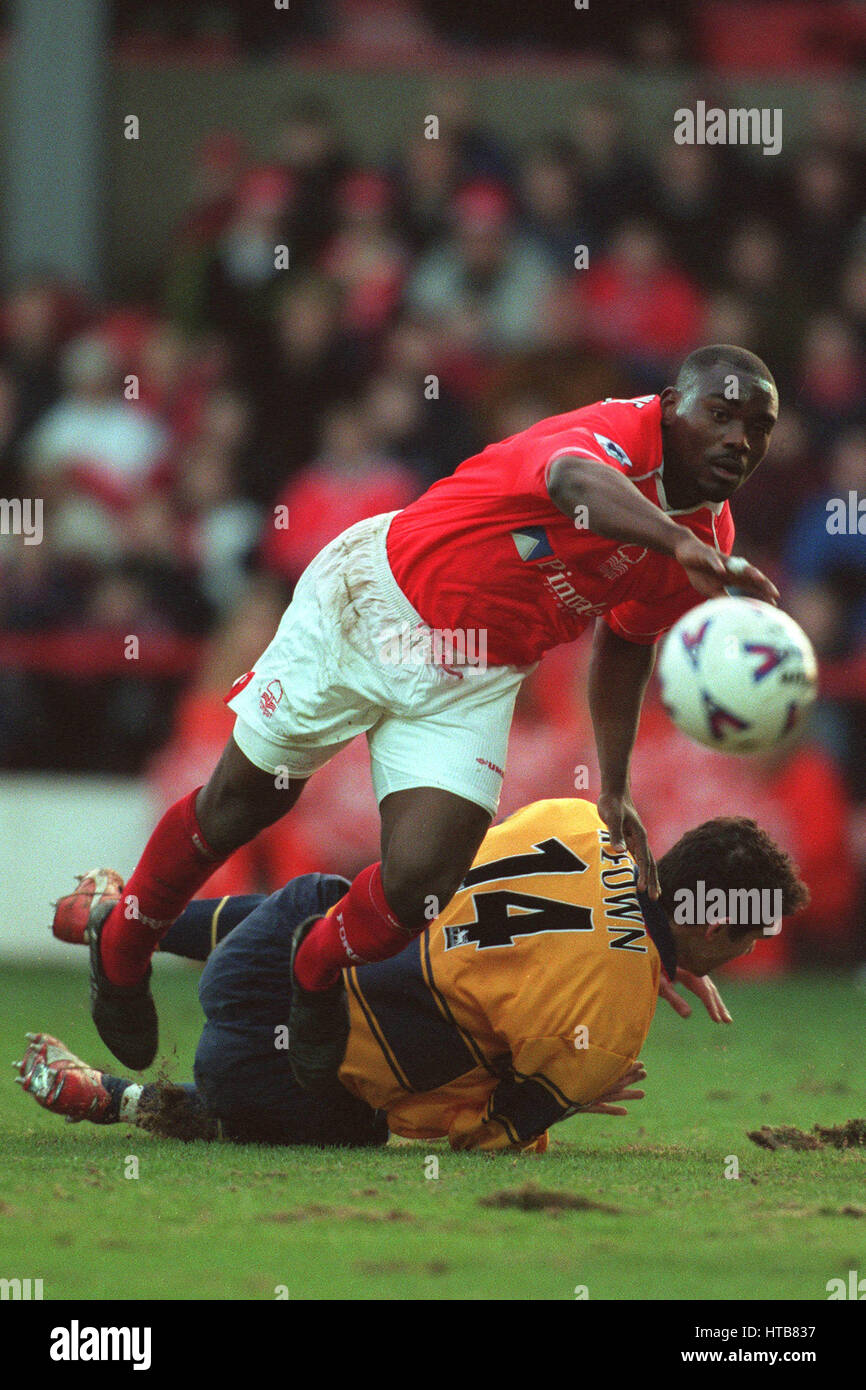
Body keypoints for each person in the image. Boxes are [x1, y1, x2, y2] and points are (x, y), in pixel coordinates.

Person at [52, 343, 781, 1089]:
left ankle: (316, 963)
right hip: (375, 601)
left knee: (424, 878)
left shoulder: (706, 543)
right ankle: (125, 945)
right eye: (720, 415)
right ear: (669, 405)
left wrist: (615, 785)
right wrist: (672, 540)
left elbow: (625, 646)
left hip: (477, 671)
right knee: (244, 802)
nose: (738, 439)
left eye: (758, 427)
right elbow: (572, 485)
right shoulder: (621, 437)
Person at [26, 797, 808, 1152]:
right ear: (711, 924)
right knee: (379, 1118)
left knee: (351, 908)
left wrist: (648, 956)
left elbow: (563, 933)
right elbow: (490, 1137)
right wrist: (572, 1087)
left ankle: (118, 917)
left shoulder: (582, 821)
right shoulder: (608, 1031)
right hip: (273, 1073)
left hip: (276, 940)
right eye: (748, 936)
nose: (747, 954)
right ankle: (114, 1098)